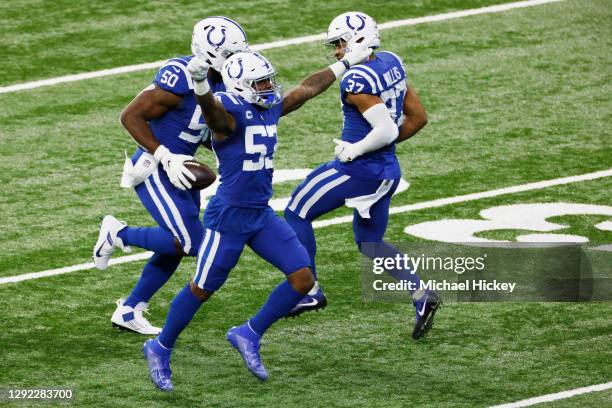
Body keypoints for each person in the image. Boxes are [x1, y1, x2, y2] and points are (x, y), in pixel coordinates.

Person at [142, 44, 373, 391]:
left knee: (303, 279)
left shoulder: (266, 106)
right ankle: (160, 347)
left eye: (268, 81)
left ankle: (248, 332)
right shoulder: (227, 114)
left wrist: (349, 61)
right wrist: (203, 87)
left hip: (261, 214)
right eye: (261, 83)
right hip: (229, 218)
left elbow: (307, 89)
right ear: (239, 86)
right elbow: (215, 119)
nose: (269, 88)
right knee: (202, 289)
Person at [283, 12, 440, 340]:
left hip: (358, 170)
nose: (337, 51)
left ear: (357, 40)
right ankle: (421, 293)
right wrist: (380, 150)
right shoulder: (390, 61)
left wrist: (357, 150)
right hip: (387, 170)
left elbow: (383, 129)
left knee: (296, 210)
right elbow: (418, 118)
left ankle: (308, 290)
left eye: (340, 44)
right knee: (370, 242)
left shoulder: (357, 80)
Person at [92, 17, 249, 335]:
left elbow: (196, 128)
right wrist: (165, 155)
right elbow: (130, 116)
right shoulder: (180, 74)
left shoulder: (220, 82)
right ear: (211, 53)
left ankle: (130, 309)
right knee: (191, 242)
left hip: (181, 169)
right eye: (231, 54)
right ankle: (117, 234)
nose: (236, 60)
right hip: (155, 167)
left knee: (179, 242)